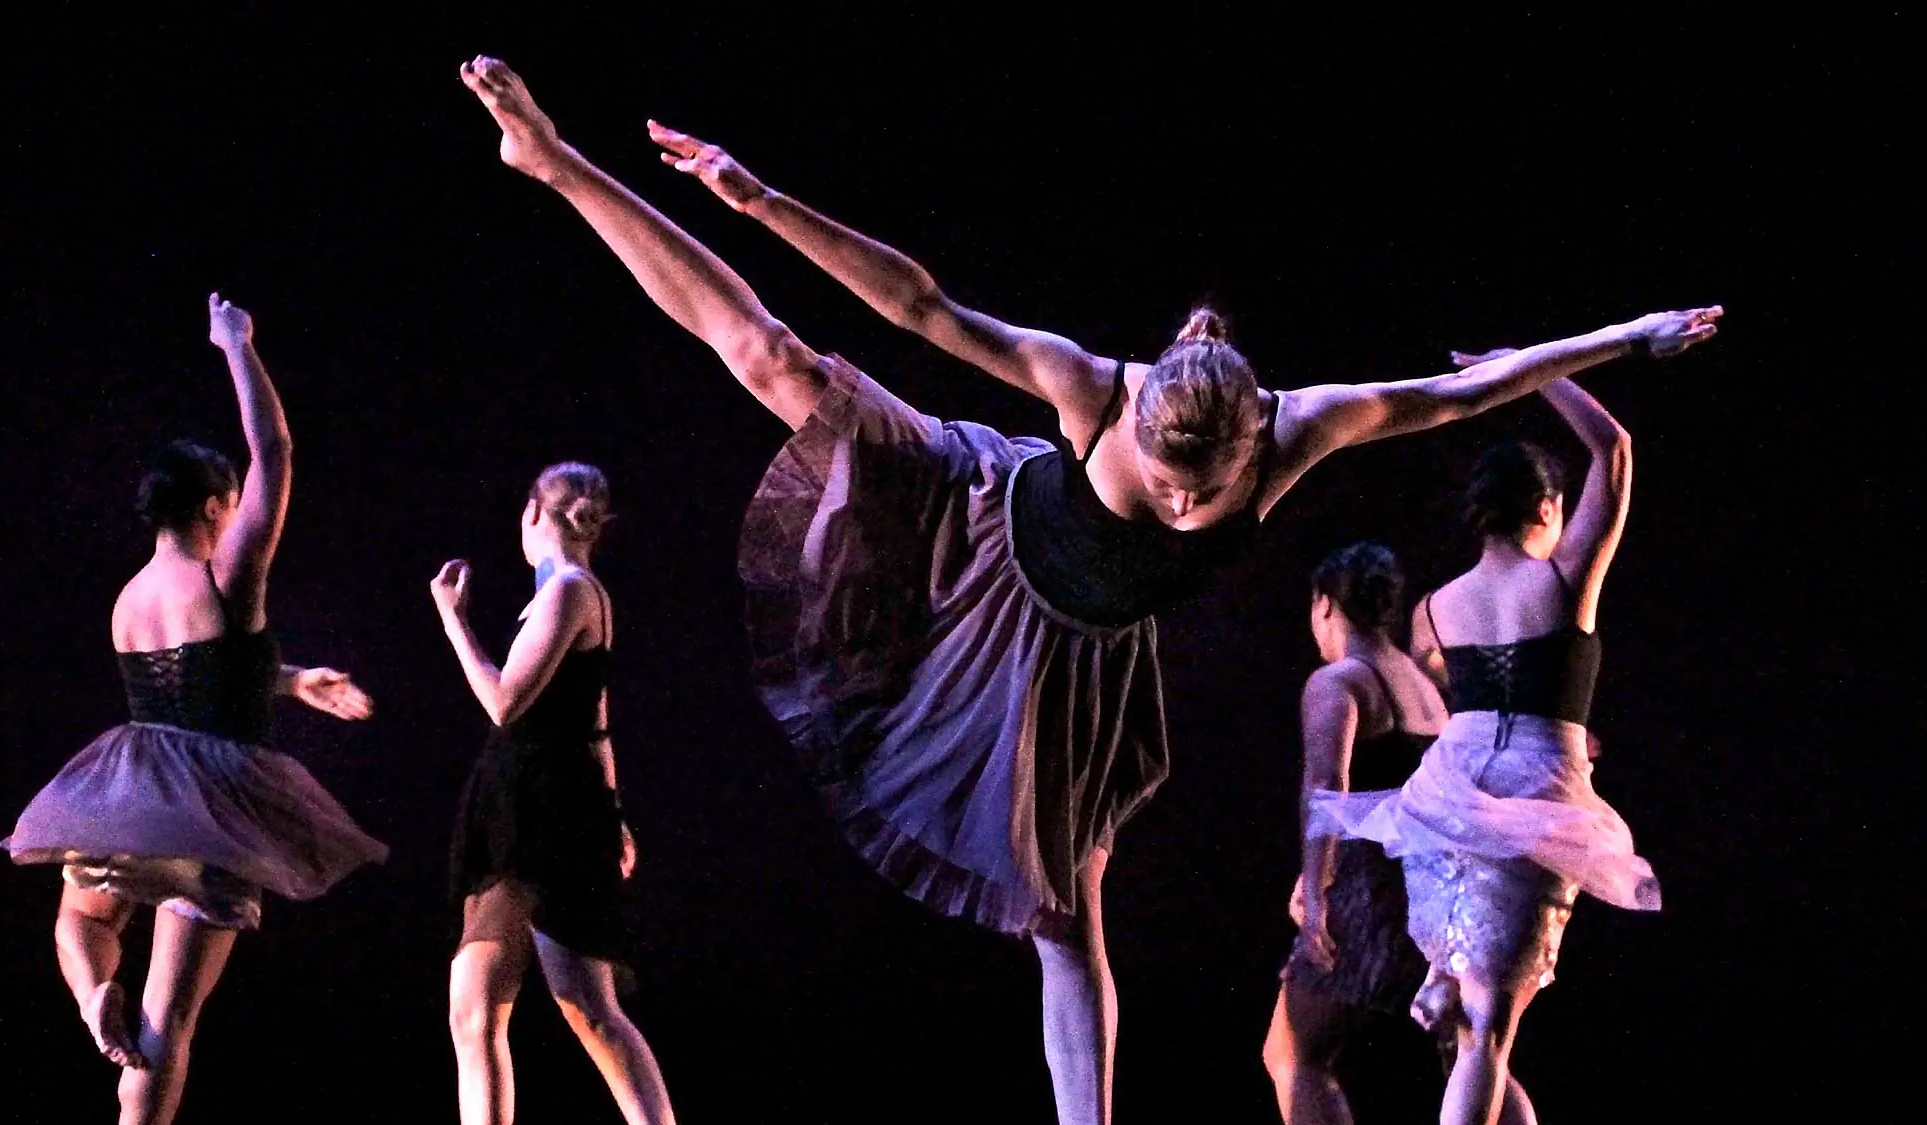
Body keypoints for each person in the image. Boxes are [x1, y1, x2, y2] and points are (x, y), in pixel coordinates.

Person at [459, 56, 1718, 1125]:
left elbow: (1459, 395)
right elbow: (917, 302)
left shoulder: (1299, 428)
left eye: (1199, 495)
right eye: (1164, 486)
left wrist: (1629, 335)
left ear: (1248, 449)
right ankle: (556, 163)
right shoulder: (1090, 387)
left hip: (1083, 652)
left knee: (1065, 915)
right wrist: (763, 199)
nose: (1181, 509)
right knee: (777, 362)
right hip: (979, 529)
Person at [2, 295, 389, 1125]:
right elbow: (276, 451)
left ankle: (90, 992)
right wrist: (237, 344)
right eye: (233, 500)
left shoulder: (128, 599)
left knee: (81, 918)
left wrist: (289, 680)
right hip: (212, 811)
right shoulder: (227, 576)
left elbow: (191, 680)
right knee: (168, 1021)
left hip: (128, 791)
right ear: (216, 508)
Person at [1308, 366, 1660, 1125]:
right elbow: (1617, 449)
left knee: (1475, 1022)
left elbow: (1457, 710)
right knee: (1487, 1035)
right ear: (1546, 506)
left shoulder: (1435, 609)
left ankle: (1439, 975)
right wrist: (1539, 367)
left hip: (1454, 794)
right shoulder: (1565, 580)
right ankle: (1442, 982)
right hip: (1534, 797)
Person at [431, 461, 676, 1125]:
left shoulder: (570, 589)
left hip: (545, 810)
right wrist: (616, 810)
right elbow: (595, 719)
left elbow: (506, 702)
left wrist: (453, 620)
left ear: (534, 513)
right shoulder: (560, 594)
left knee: (587, 1007)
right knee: (476, 999)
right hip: (527, 803)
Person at [1263, 542, 1521, 1124]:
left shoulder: (1340, 682)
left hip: (1373, 892)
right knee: (1472, 1054)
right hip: (1442, 892)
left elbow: (1326, 790)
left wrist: (1314, 890)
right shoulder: (1425, 689)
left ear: (1325, 606)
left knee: (1296, 1053)